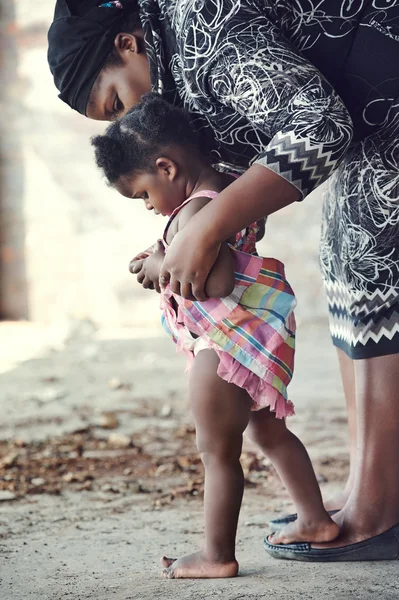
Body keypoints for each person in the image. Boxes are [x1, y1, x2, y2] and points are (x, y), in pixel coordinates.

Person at [48, 0, 399, 561]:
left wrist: (210, 221)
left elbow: (319, 124)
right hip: (375, 110)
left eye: (115, 99)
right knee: (344, 253)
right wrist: (193, 232)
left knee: (371, 248)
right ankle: (371, 487)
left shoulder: (198, 28)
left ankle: (381, 510)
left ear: (126, 45)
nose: (125, 119)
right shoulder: (177, 68)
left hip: (388, 79)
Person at [91, 93, 340, 578]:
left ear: (166, 168)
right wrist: (159, 253)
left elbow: (218, 279)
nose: (147, 206)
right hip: (250, 341)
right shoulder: (224, 193)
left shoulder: (195, 215)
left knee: (218, 452)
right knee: (270, 432)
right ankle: (315, 520)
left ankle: (217, 555)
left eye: (142, 194)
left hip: (222, 349)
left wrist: (162, 265)